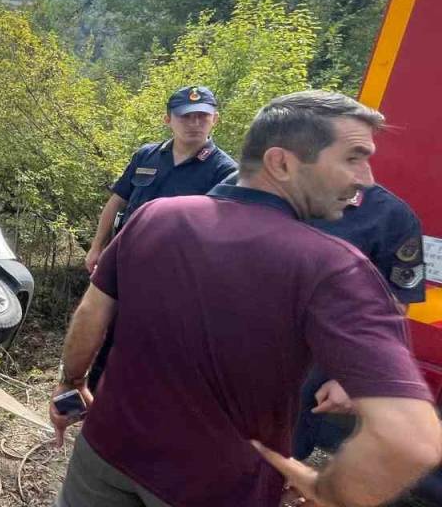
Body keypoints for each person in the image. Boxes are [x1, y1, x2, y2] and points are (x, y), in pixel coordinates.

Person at [50, 90, 440, 507]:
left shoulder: (156, 216)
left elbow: (92, 311)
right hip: (216, 483)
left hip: (107, 452)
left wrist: (71, 381)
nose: (365, 178)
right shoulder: (335, 266)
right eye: (352, 158)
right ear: (282, 163)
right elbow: (411, 438)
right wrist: (335, 490)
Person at [83, 86, 237, 390]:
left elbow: (221, 235)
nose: (194, 123)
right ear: (168, 119)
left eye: (202, 116)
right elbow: (117, 202)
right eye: (186, 116)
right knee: (105, 334)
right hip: (124, 262)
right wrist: (96, 248)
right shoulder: (147, 155)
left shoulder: (225, 171)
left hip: (174, 277)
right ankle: (95, 405)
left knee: (151, 344)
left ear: (215, 119)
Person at [292, 183, 427, 459]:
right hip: (238, 358)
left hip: (311, 370)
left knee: (281, 460)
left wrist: (350, 378)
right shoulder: (267, 190)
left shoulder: (389, 215)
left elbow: (392, 312)